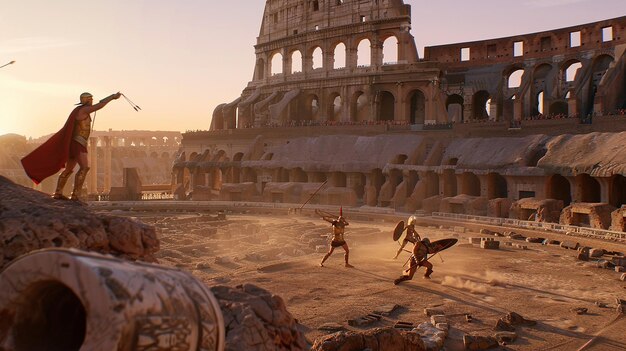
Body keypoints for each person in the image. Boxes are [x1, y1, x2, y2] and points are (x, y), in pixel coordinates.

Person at [21, 92, 122, 200]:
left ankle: (58, 192)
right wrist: (112, 97)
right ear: (85, 100)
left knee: (69, 169)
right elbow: (99, 106)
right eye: (90, 99)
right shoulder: (82, 110)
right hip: (77, 143)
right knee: (84, 167)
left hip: (78, 143)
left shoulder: (82, 111)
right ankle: (75, 195)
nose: (92, 100)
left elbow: (97, 106)